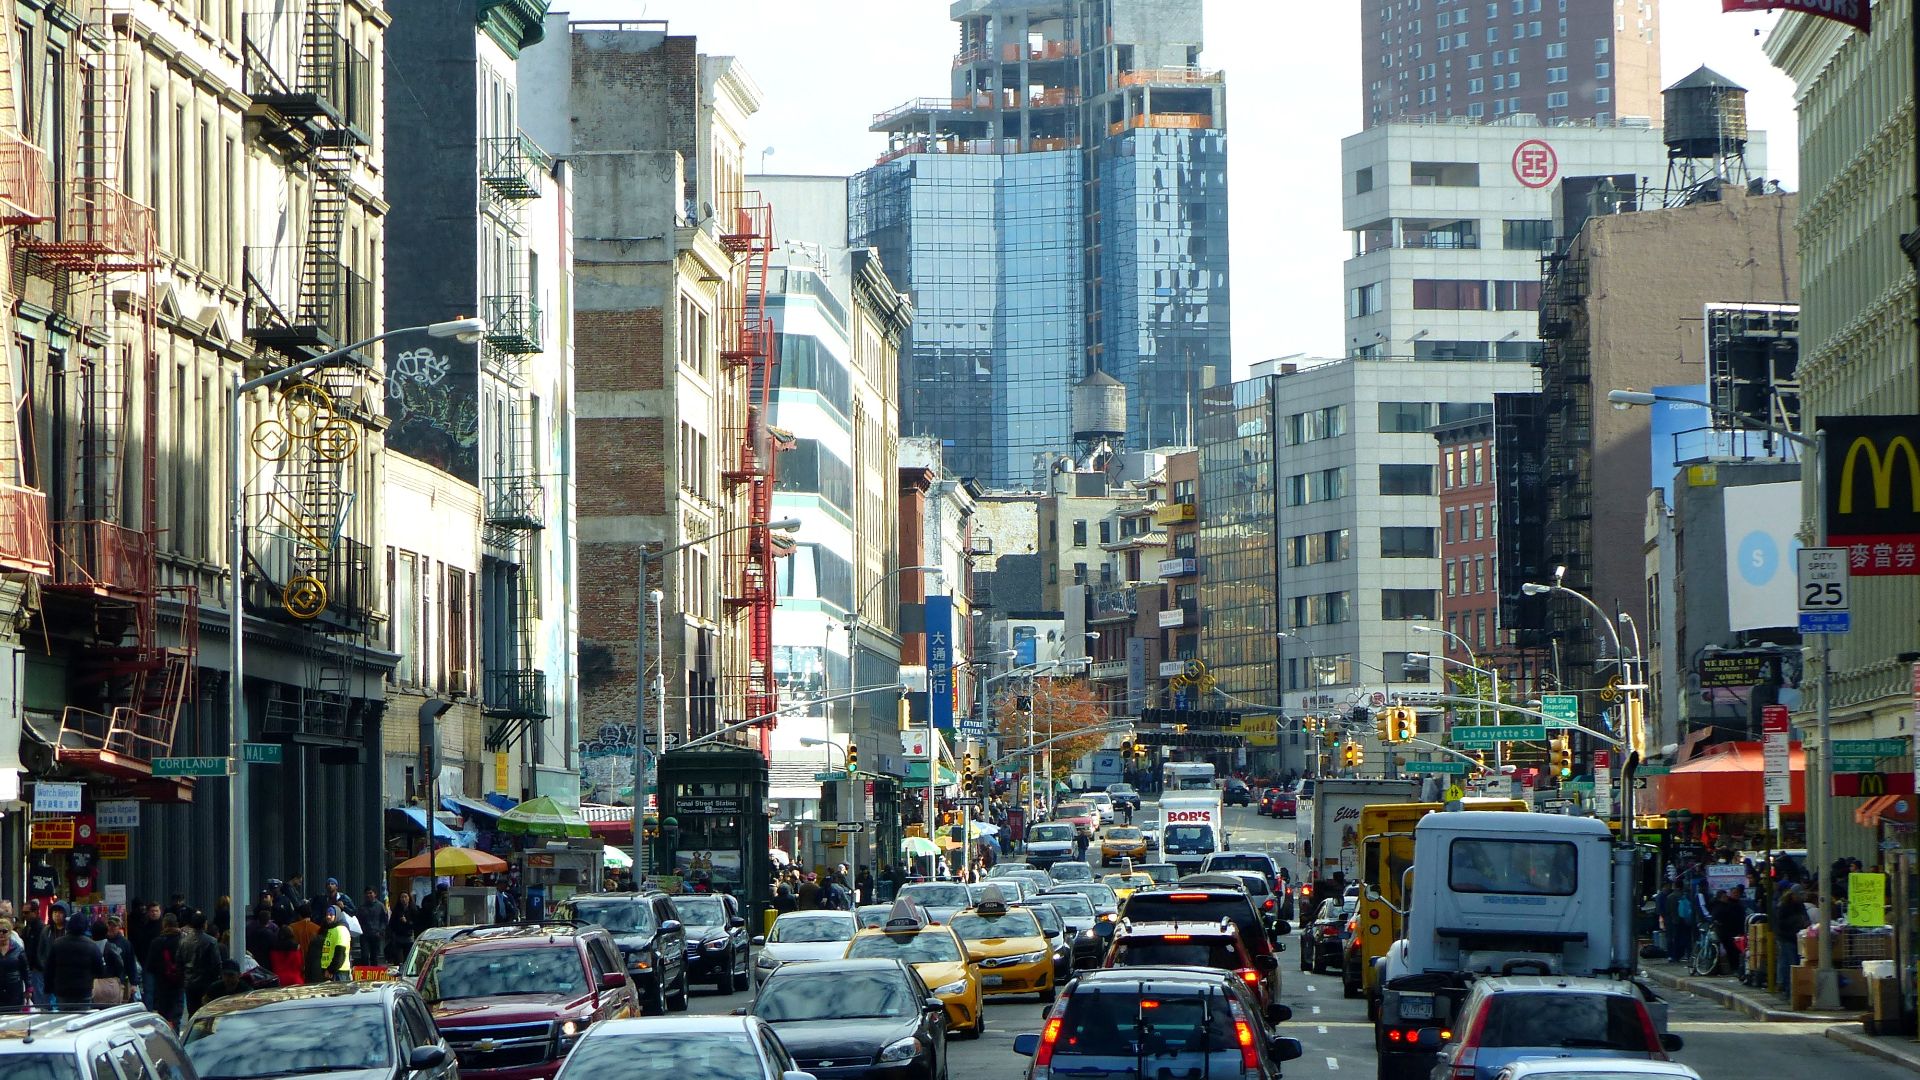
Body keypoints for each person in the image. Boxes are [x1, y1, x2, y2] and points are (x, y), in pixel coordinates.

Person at [45, 915, 104, 1007]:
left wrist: (49, 988)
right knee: (82, 1014)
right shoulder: (91, 945)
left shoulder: (58, 944)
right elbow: (99, 970)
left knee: (65, 1014)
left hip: (63, 990)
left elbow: (49, 968)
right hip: (83, 990)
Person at [145, 914, 187, 1027]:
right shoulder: (183, 941)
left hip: (162, 984)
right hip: (179, 982)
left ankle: (166, 1034)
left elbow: (150, 966)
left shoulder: (156, 942)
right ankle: (175, 1032)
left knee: (164, 1015)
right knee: (177, 1014)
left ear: (164, 925)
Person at [181, 911, 222, 1014]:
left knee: (192, 1012)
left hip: (189, 982)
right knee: (207, 1012)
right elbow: (217, 964)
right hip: (207, 982)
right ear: (205, 924)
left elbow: (179, 962)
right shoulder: (211, 941)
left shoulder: (184, 941)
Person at [1773, 885, 1811, 990]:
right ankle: (1786, 984)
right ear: (1793, 894)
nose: (1800, 897)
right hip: (1785, 937)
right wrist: (1796, 920)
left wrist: (1805, 922)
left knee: (1789, 961)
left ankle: (1787, 984)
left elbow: (1805, 917)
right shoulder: (1783, 905)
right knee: (1789, 961)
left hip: (1796, 937)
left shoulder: (1799, 904)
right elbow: (1780, 923)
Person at [319, 907, 353, 983]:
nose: (328, 916)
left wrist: (331, 970)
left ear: (337, 915)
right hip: (329, 971)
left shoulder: (341, 930)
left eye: (331, 914)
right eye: (327, 914)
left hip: (338, 972)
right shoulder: (330, 929)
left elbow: (340, 954)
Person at [358, 889, 388, 965]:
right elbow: (358, 920)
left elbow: (384, 920)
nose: (368, 895)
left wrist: (381, 931)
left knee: (374, 957)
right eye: (367, 893)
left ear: (375, 894)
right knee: (364, 956)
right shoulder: (362, 907)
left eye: (370, 893)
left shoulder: (380, 906)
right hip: (365, 935)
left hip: (376, 935)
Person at [0, 919, 25, 1008]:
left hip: (14, 989)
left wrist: (29, 988)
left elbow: (25, 970)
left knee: (14, 1013)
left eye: (4, 931)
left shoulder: (18, 949)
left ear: (10, 932)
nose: (1, 933)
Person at [386, 893, 416, 966]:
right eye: (402, 897)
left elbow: (416, 923)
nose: (404, 899)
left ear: (409, 898)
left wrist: (407, 922)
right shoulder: (396, 910)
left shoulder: (413, 909)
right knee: (397, 958)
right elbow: (391, 923)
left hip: (408, 937)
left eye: (405, 897)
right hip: (398, 937)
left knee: (408, 958)